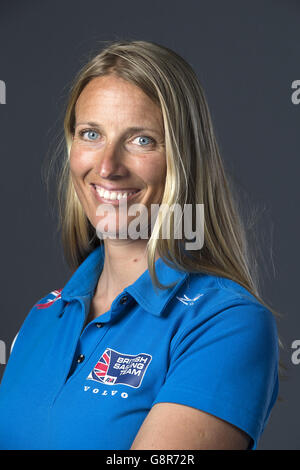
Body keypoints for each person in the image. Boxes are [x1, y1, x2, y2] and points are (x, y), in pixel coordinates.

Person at [0, 40, 280, 450]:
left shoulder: (226, 323)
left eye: (141, 140)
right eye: (91, 134)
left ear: (184, 160)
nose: (108, 166)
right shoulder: (44, 315)